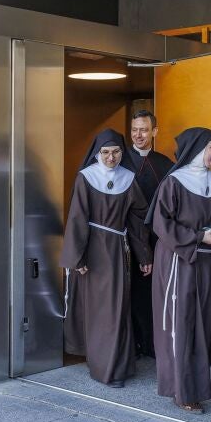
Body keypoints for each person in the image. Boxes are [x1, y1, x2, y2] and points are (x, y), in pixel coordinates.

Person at [145, 127, 211, 413]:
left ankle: (192, 383)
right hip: (179, 264)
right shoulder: (173, 183)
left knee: (210, 325)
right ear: (197, 150)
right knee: (182, 327)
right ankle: (183, 391)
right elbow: (162, 224)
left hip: (209, 265)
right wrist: (200, 237)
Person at [60, 128, 152, 388]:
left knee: (118, 308)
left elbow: (137, 220)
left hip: (118, 249)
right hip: (93, 252)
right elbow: (77, 218)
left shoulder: (128, 178)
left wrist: (144, 254)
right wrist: (77, 258)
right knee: (101, 310)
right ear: (97, 154)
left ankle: (117, 364)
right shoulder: (86, 178)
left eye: (115, 152)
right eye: (105, 153)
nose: (111, 158)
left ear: (122, 153)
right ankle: (105, 368)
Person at [127, 110, 174, 359]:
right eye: (134, 129)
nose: (138, 135)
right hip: (125, 239)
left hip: (156, 240)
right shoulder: (120, 159)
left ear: (154, 131)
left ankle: (151, 343)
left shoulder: (164, 164)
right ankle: (132, 344)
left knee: (151, 292)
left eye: (144, 129)